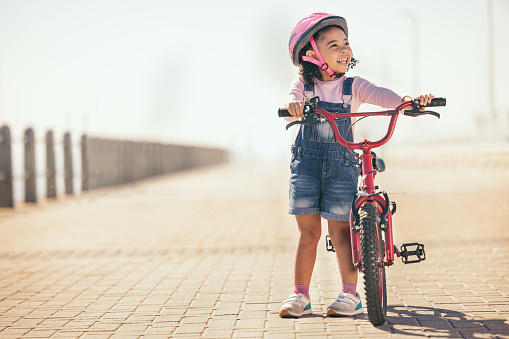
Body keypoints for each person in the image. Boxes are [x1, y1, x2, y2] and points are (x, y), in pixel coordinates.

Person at [279, 12, 434, 318]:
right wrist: (293, 107)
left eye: (346, 43)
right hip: (307, 166)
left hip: (341, 165)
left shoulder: (353, 86)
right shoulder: (303, 86)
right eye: (333, 44)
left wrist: (406, 100)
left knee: (340, 231)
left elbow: (381, 95)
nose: (343, 49)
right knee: (308, 232)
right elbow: (289, 106)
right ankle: (300, 295)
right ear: (312, 55)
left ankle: (350, 295)